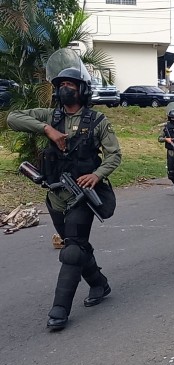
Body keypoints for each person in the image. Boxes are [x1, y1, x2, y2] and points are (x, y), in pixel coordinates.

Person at [7, 52, 122, 331]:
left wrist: (96, 175)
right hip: (55, 196)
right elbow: (12, 118)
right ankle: (99, 284)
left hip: (83, 196)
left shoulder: (97, 121)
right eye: (61, 84)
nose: (64, 88)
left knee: (72, 250)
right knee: (77, 245)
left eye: (71, 83)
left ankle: (59, 311)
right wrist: (46, 128)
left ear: (82, 89)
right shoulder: (51, 116)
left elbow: (114, 155)